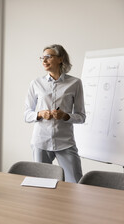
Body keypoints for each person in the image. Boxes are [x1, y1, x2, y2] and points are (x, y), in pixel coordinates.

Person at [24, 44, 86, 183]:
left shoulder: (75, 83)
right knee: (41, 184)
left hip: (65, 142)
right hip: (41, 141)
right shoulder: (36, 83)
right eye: (42, 58)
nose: (44, 61)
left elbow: (81, 116)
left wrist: (65, 116)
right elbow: (27, 114)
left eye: (48, 57)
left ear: (60, 59)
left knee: (76, 183)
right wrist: (39, 114)